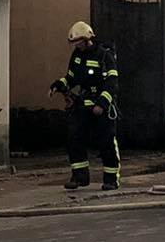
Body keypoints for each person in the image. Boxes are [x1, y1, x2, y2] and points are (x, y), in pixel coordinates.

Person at [52, 21, 122, 191]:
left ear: (87, 39)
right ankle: (79, 176)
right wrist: (58, 85)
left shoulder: (104, 56)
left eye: (78, 42)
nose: (76, 45)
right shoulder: (77, 56)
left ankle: (111, 179)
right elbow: (71, 78)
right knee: (74, 137)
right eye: (74, 43)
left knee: (106, 142)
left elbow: (112, 83)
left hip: (102, 106)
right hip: (83, 104)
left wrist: (102, 104)